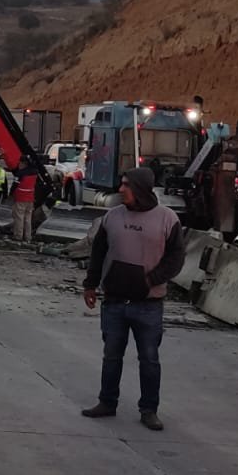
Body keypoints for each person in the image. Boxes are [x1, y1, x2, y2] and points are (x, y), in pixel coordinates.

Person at [79, 167, 186, 431]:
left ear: (139, 187)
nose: (120, 189)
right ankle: (107, 402)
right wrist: (90, 284)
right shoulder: (112, 217)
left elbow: (176, 259)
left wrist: (150, 280)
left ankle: (149, 410)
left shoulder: (167, 219)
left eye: (125, 185)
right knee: (111, 355)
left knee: (149, 359)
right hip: (114, 302)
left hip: (148, 305)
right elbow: (98, 253)